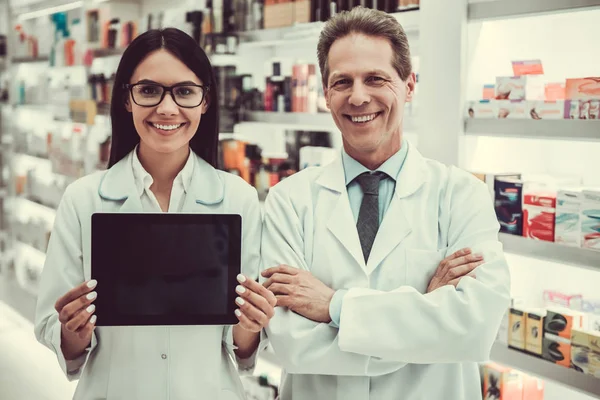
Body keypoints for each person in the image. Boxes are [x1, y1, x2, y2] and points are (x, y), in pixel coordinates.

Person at [260, 7, 510, 400]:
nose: (358, 97)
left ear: (409, 85)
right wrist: (425, 319)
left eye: (376, 78)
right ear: (326, 94)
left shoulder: (462, 195)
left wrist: (335, 306)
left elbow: (473, 327)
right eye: (342, 82)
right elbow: (291, 344)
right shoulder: (288, 201)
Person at [34, 28, 276, 399]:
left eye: (184, 91)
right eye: (148, 90)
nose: (166, 108)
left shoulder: (238, 200)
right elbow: (55, 329)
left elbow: (239, 347)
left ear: (205, 101)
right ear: (126, 99)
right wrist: (71, 331)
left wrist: (251, 324)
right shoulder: (83, 199)